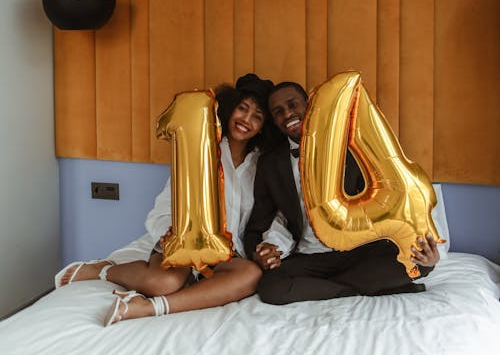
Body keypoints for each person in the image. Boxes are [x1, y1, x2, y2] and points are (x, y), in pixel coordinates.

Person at [56, 73, 290, 325]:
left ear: (263, 126)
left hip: (228, 256)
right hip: (185, 244)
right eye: (242, 109)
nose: (246, 120)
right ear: (229, 109)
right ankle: (103, 269)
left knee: (250, 276)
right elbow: (164, 208)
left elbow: (276, 213)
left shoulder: (262, 165)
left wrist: (273, 245)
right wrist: (169, 235)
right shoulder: (200, 150)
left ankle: (148, 308)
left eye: (257, 116)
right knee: (165, 282)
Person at [244, 81, 440, 305]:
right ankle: (364, 289)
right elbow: (257, 225)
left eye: (293, 105)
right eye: (278, 111)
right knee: (271, 288)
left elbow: (394, 199)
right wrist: (257, 254)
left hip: (360, 252)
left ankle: (330, 289)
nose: (288, 114)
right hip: (310, 257)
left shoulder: (353, 146)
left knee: (420, 265)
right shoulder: (270, 164)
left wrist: (425, 251)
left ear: (310, 106)